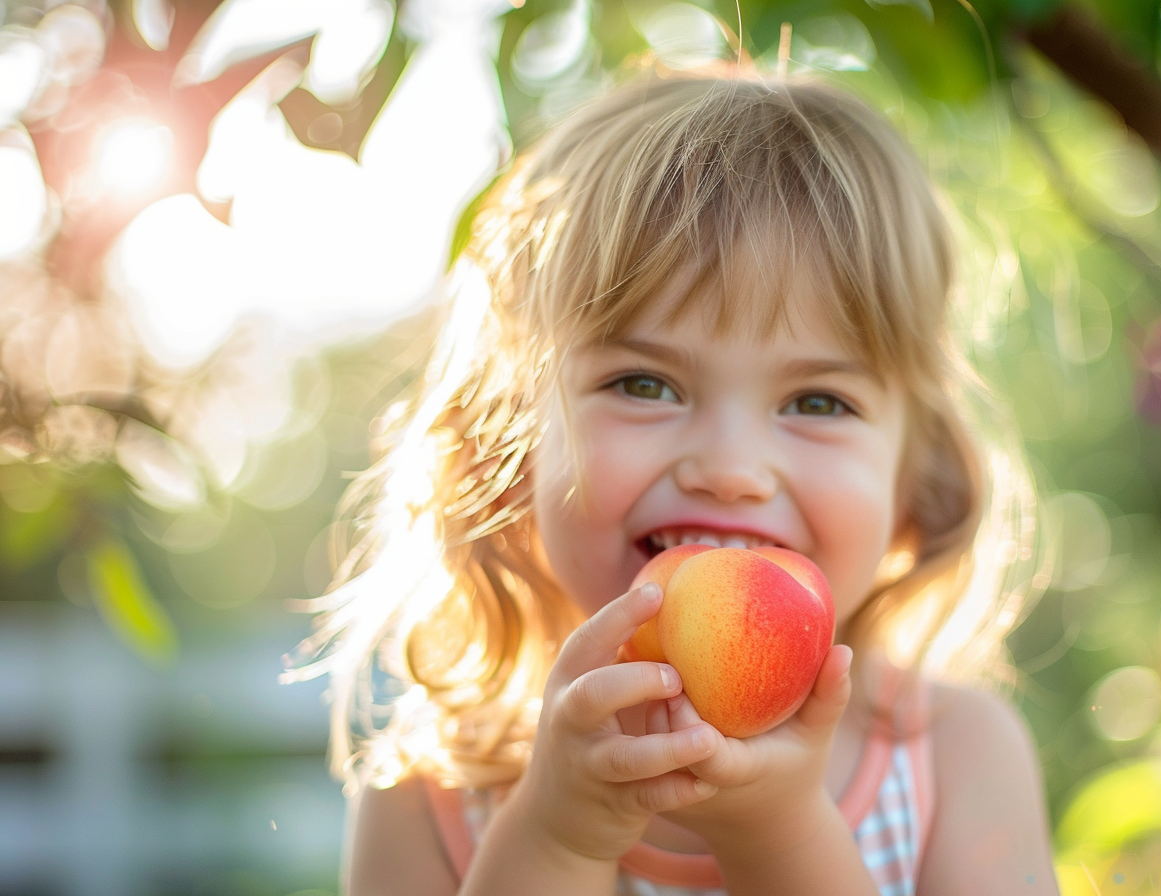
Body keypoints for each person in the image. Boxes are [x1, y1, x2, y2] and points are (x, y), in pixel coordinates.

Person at [289, 70, 1059, 895]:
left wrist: (780, 836)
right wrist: (558, 837)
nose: (729, 471)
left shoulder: (956, 755)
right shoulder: (433, 790)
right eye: (644, 385)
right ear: (509, 445)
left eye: (816, 401)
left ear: (916, 482)